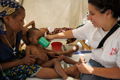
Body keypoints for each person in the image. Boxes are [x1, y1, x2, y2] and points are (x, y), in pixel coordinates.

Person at [0, 0, 80, 80]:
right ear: (7, 19)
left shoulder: (20, 31)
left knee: (36, 56)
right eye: (21, 20)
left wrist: (45, 53)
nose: (23, 23)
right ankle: (70, 71)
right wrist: (21, 62)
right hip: (3, 68)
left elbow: (34, 46)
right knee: (27, 68)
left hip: (16, 57)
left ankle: (65, 54)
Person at [45, 0, 120, 80]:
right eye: (88, 13)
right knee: (85, 77)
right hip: (97, 62)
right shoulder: (92, 26)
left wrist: (90, 70)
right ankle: (75, 70)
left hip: (115, 69)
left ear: (108, 13)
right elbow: (75, 33)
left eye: (92, 13)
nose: (88, 18)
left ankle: (74, 70)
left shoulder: (117, 36)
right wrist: (53, 37)